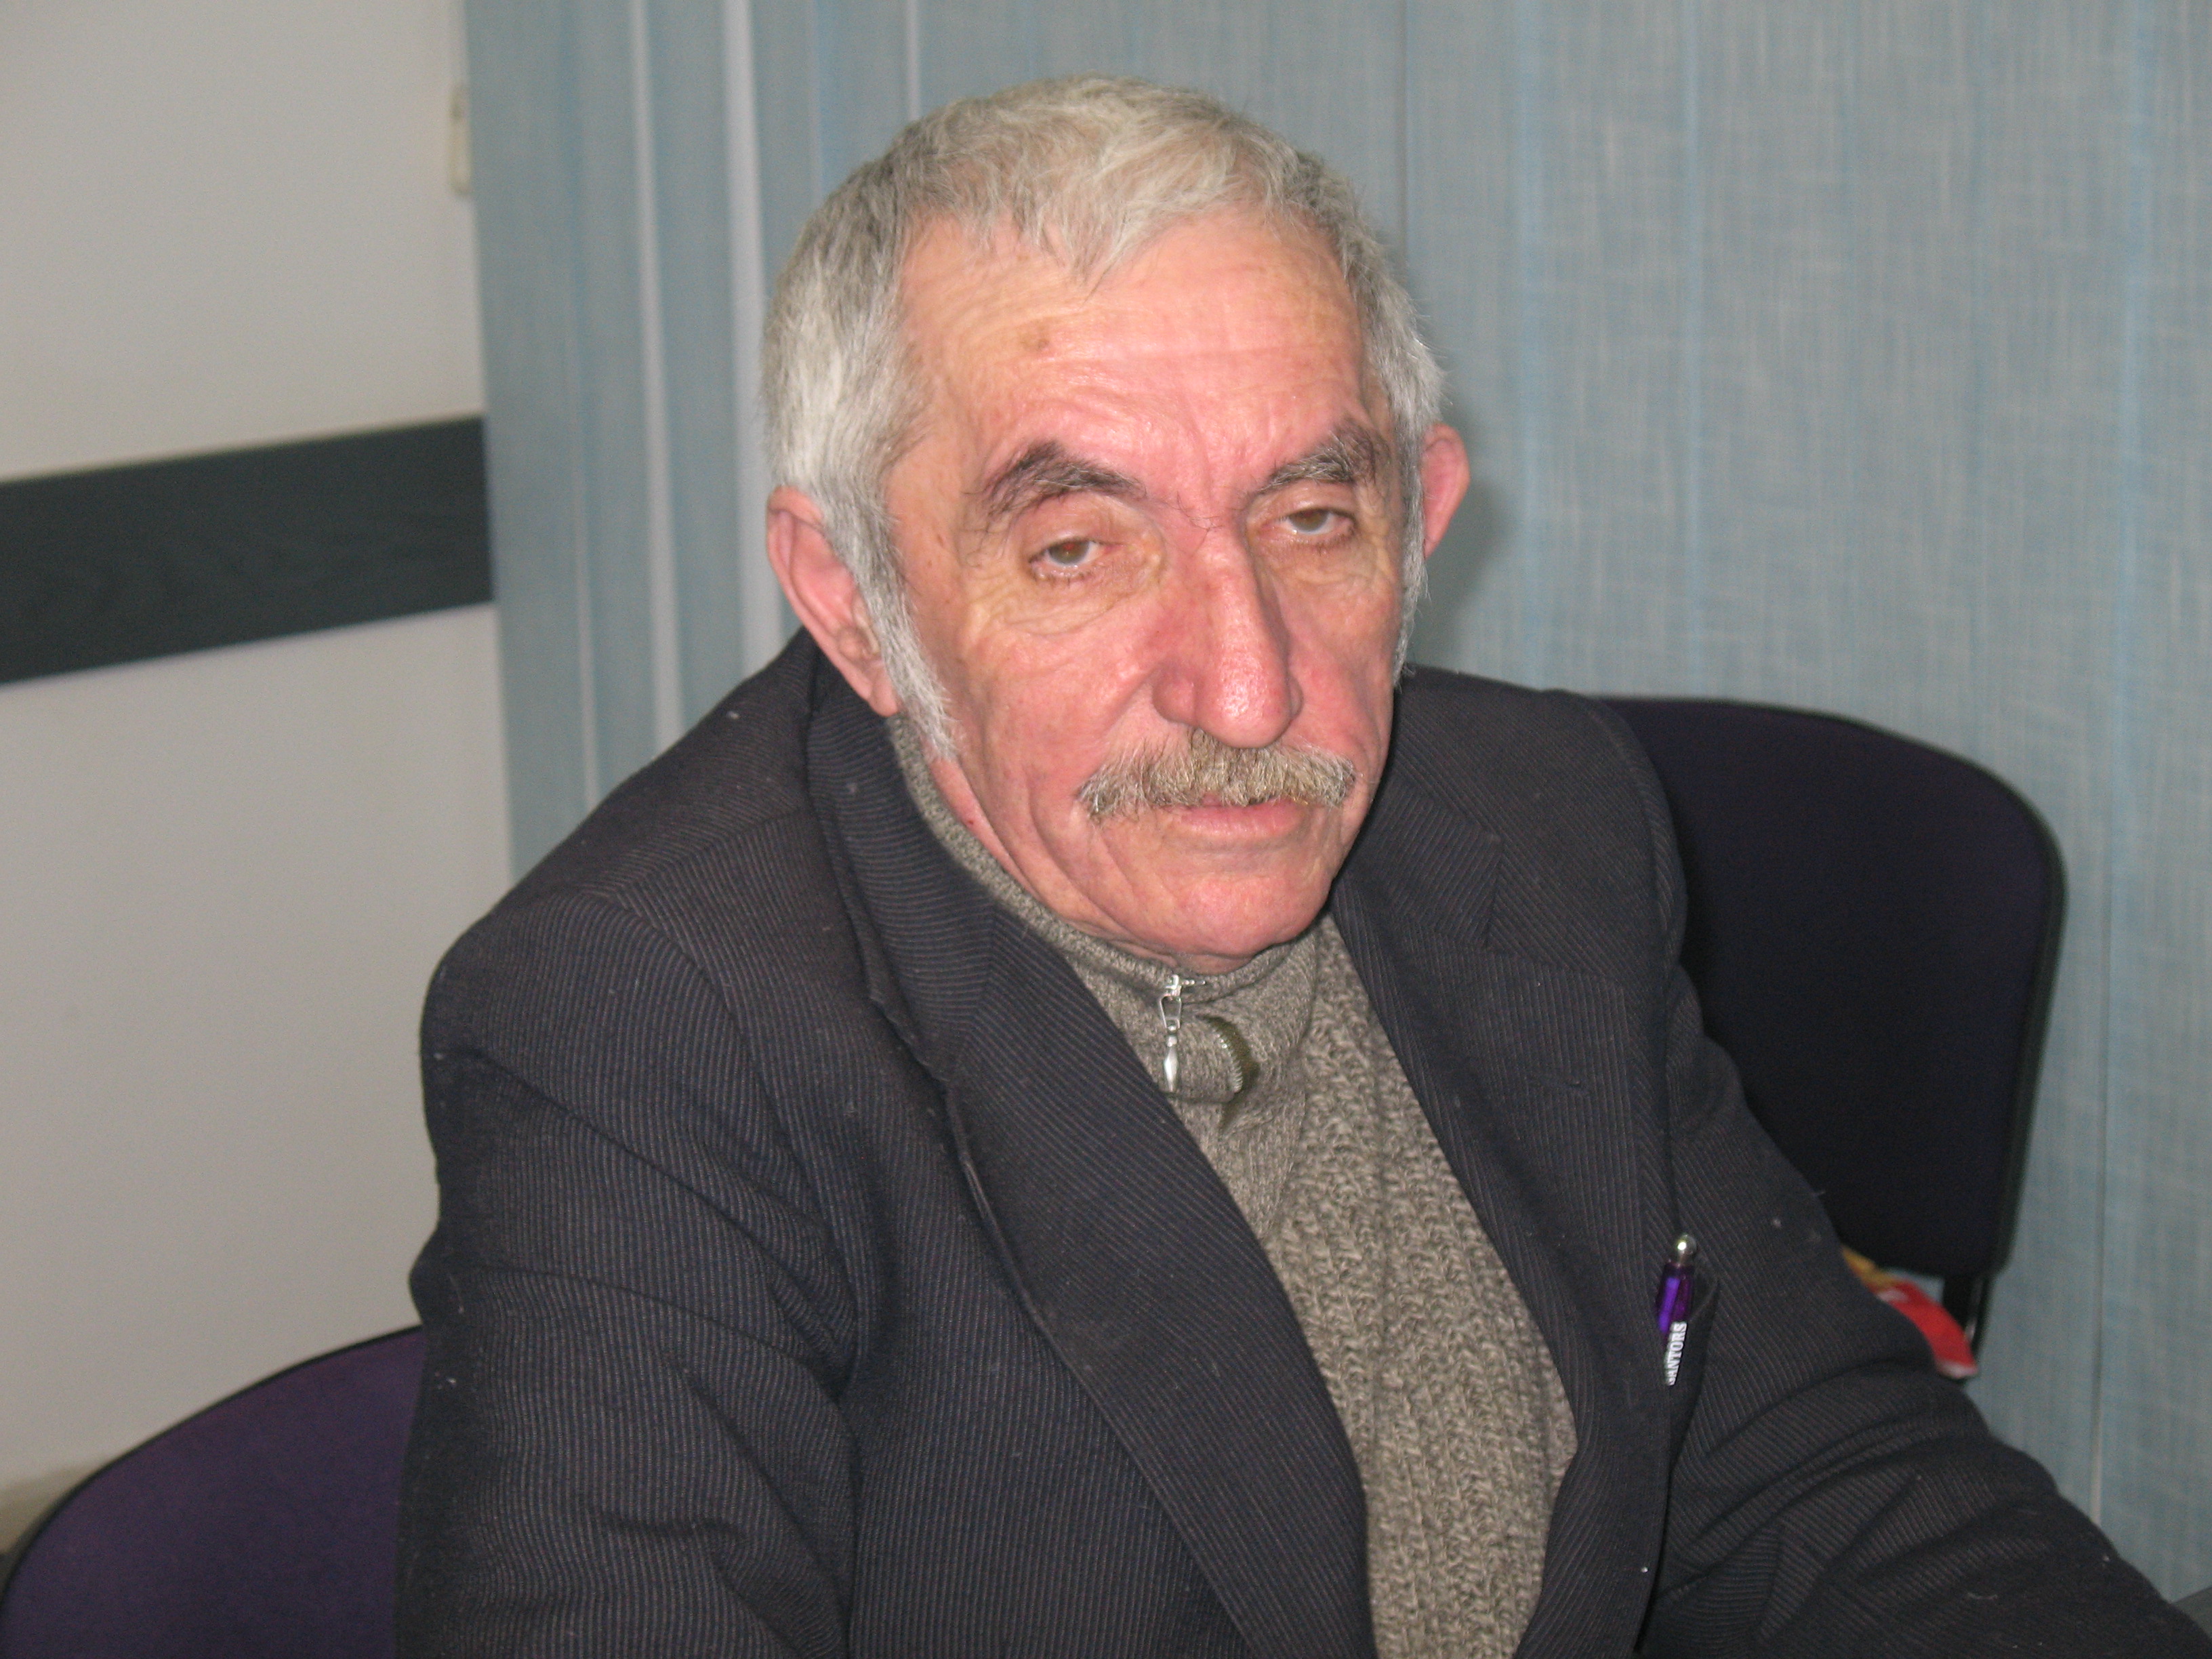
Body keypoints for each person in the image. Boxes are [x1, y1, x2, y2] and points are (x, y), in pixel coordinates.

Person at [396, 77, 2205, 1658]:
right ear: (853, 600)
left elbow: (1821, 1473)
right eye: (1079, 548)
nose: (1250, 687)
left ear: (1423, 522)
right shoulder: (643, 1020)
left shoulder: (1541, 824)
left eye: (1312, 516)